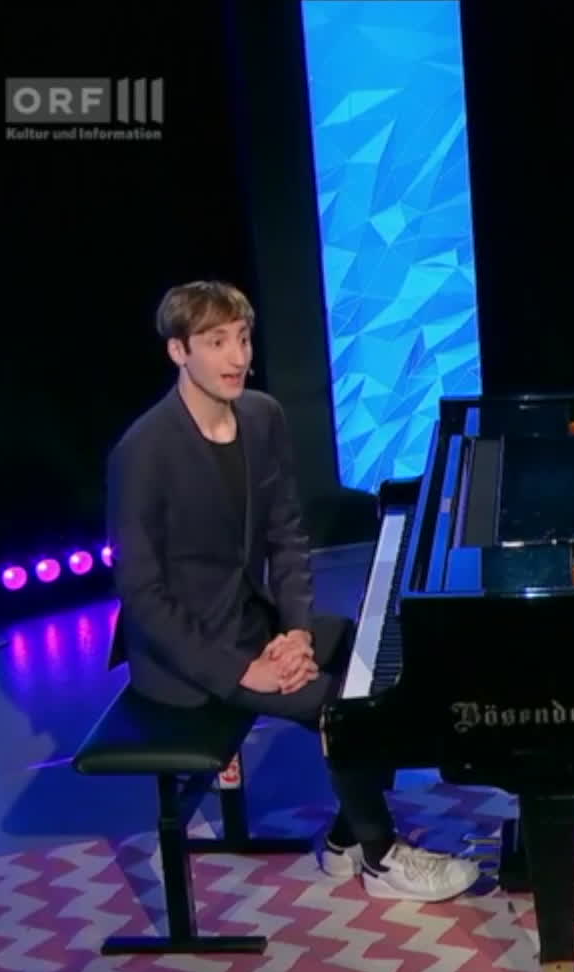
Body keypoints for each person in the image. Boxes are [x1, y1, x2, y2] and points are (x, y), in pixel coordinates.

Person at [106, 280, 479, 902]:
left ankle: (345, 837)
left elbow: (286, 534)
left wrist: (298, 631)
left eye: (243, 339)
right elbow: (142, 595)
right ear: (178, 351)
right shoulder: (143, 451)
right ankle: (382, 857)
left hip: (252, 622)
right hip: (186, 656)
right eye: (216, 342)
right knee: (342, 708)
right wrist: (242, 670)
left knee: (371, 662)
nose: (237, 357)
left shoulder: (261, 416)